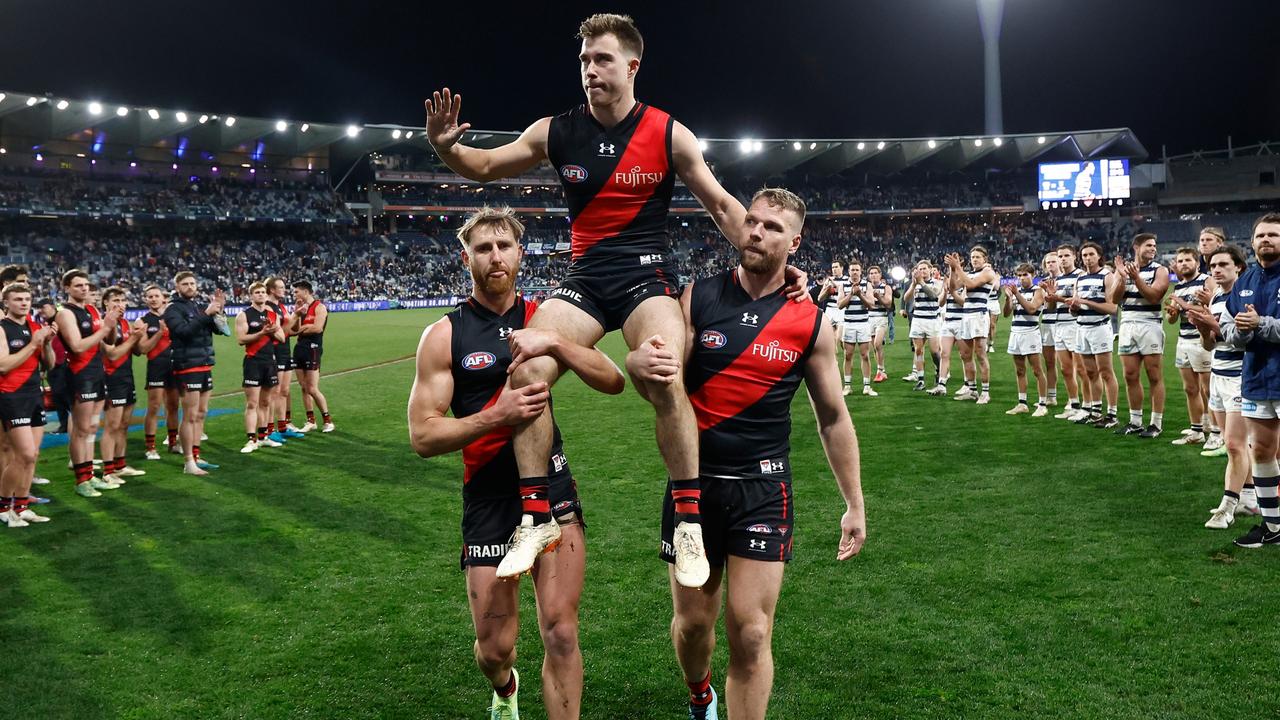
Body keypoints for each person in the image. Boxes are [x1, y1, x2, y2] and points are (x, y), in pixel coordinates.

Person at [426, 13, 806, 584]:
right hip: (584, 280)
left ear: (632, 66)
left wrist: (778, 267)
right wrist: (444, 147)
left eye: (601, 59)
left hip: (645, 279)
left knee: (663, 369)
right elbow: (482, 166)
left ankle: (687, 522)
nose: (589, 69)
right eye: (583, 60)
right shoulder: (557, 130)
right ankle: (536, 518)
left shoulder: (668, 133)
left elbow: (727, 209)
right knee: (525, 367)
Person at [627, 189, 865, 720]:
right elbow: (666, 387)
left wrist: (854, 503)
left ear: (795, 242)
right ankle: (699, 696)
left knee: (752, 632)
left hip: (763, 487)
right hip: (694, 486)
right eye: (751, 222)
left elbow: (833, 418)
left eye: (772, 228)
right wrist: (638, 370)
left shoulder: (811, 322)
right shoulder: (699, 297)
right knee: (693, 627)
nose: (756, 232)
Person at [408, 205, 625, 720]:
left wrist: (555, 343)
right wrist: (495, 416)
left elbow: (613, 379)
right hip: (487, 494)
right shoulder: (445, 334)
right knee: (494, 649)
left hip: (551, 486)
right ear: (467, 259)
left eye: (504, 246)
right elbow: (422, 435)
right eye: (483, 248)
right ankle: (505, 689)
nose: (495, 256)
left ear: (521, 255)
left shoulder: (546, 318)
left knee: (562, 631)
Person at [1212, 213, 1280, 548]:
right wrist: (1240, 331)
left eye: (1273, 235)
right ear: (1252, 243)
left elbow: (1262, 326)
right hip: (1254, 378)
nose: (1266, 240)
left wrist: (1260, 324)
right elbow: (1226, 330)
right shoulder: (1245, 281)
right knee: (1263, 451)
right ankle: (1273, 525)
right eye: (1261, 236)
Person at [1185, 245, 1260, 528]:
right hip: (1218, 375)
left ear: (1238, 267)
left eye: (1223, 264)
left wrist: (1213, 326)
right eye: (1213, 265)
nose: (1216, 269)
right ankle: (1250, 498)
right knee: (1236, 447)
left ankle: (1226, 507)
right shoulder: (1216, 298)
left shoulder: (1245, 297)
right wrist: (1205, 328)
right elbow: (1210, 345)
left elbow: (1244, 339)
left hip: (1240, 377)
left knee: (1234, 443)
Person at [55, 269, 120, 496]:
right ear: (67, 288)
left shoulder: (92, 309)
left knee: (92, 428)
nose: (84, 288)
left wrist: (112, 324)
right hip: (79, 375)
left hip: (96, 373)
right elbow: (77, 346)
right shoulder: (65, 313)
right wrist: (105, 327)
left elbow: (108, 343)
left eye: (86, 285)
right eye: (78, 285)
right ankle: (81, 480)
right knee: (81, 430)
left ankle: (90, 475)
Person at [0, 284, 55, 526]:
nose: (24, 303)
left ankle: (21, 508)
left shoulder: (35, 328)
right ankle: (4, 508)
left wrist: (48, 343)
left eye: (27, 298)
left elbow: (50, 364)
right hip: (12, 396)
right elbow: (3, 365)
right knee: (24, 454)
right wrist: (34, 344)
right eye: (18, 299)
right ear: (6, 304)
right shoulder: (2, 329)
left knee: (32, 457)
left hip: (34, 395)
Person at [163, 271, 225, 476]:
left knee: (201, 413)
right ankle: (188, 462)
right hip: (187, 366)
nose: (190, 286)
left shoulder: (196, 306)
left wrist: (218, 311)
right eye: (185, 284)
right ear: (177, 286)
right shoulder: (172, 309)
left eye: (192, 283)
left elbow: (221, 331)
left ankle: (196, 456)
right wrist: (206, 313)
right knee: (189, 415)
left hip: (205, 363)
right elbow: (183, 332)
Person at [1108, 233, 1170, 437]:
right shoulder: (1123, 270)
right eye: (1148, 245)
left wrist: (1135, 278)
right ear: (1136, 247)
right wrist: (1122, 278)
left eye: (1154, 245)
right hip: (1127, 323)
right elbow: (1114, 299)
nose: (1153, 248)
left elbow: (1154, 297)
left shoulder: (1160, 270)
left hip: (1150, 323)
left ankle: (1156, 423)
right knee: (1130, 375)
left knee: (1154, 375)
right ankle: (1135, 421)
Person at [1068, 242, 1121, 427]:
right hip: (1082, 328)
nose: (1087, 258)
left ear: (1099, 256)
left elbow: (1112, 308)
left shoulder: (1107, 276)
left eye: (1091, 254)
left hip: (1099, 328)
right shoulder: (1080, 279)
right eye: (1084, 255)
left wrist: (1086, 302)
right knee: (1090, 373)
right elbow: (1075, 311)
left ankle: (1112, 414)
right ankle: (1096, 411)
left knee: (1106, 372)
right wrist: (1074, 307)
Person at [99, 287, 148, 485]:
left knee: (124, 425)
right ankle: (107, 470)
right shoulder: (103, 324)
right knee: (112, 426)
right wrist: (134, 339)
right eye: (116, 300)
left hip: (127, 377)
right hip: (111, 378)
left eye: (123, 300)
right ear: (106, 304)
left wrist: (140, 336)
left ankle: (120, 465)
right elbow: (112, 354)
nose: (121, 304)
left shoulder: (125, 322)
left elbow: (137, 351)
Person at [1166, 248, 1214, 447]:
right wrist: (1173, 312)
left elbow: (1211, 309)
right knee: (1190, 388)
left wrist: (1184, 305)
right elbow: (1171, 320)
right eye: (1180, 261)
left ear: (1196, 262)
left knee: (1208, 389)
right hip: (1183, 340)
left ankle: (1216, 432)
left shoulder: (1206, 281)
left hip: (1201, 340)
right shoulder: (1178, 287)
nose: (1183, 264)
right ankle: (1197, 430)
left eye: (1187, 260)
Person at [945, 246, 999, 404]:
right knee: (966, 355)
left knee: (981, 354)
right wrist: (952, 269)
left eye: (978, 257)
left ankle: (986, 392)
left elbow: (971, 284)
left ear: (985, 259)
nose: (974, 259)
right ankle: (972, 390)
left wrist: (958, 267)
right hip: (966, 316)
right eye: (972, 257)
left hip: (978, 316)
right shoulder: (969, 273)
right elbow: (953, 287)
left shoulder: (988, 272)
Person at [237, 282, 286, 454]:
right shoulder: (244, 315)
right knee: (252, 403)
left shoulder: (272, 315)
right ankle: (251, 439)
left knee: (265, 402)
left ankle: (264, 437)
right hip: (253, 361)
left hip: (269, 362)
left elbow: (282, 338)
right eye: (257, 292)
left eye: (263, 292)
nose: (260, 295)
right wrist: (261, 333)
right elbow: (241, 339)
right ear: (251, 296)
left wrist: (272, 330)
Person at [1043, 245, 1087, 420]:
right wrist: (1050, 297)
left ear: (1074, 257)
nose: (1063, 259)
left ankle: (1088, 405)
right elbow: (1052, 308)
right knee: (1066, 369)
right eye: (1060, 256)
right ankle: (1073, 404)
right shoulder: (1058, 279)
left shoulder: (1081, 276)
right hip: (1059, 325)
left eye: (1066, 256)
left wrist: (1057, 297)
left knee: (1082, 369)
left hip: (1075, 325)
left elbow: (1079, 302)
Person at [139, 285, 181, 460]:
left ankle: (173, 443)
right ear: (145, 300)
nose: (153, 299)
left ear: (163, 298)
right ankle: (151, 448)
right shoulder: (142, 321)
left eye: (156, 296)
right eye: (150, 296)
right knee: (154, 407)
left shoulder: (173, 317)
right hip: (156, 366)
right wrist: (159, 334)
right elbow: (142, 348)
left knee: (173, 406)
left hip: (175, 366)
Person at [1002, 264, 1049, 416]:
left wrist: (1016, 294)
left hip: (1031, 332)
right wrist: (1009, 298)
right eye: (1020, 275)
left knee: (1037, 370)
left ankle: (1042, 405)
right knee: (1020, 370)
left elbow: (1032, 309)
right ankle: (1022, 403)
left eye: (1025, 275)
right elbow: (1007, 314)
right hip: (1015, 332)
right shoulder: (1017, 292)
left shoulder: (1039, 291)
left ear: (1033, 275)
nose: (1022, 278)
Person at [265, 277, 306, 443]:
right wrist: (295, 315)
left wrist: (297, 315)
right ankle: (269, 429)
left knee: (284, 391)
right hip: (275, 350)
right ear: (272, 290)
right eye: (280, 287)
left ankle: (282, 426)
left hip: (285, 351)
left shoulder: (280, 306)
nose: (284, 290)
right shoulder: (268, 307)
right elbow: (281, 332)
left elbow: (293, 331)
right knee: (274, 393)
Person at [290, 280, 333, 433]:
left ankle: (328, 420)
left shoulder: (319, 307)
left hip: (313, 348)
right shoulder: (301, 309)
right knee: (303, 387)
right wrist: (296, 314)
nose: (294, 294)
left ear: (306, 292)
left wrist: (301, 329)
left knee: (312, 388)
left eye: (296, 291)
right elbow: (292, 329)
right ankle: (311, 421)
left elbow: (317, 328)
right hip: (299, 348)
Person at [837, 261, 877, 397]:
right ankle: (847, 386)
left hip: (863, 324)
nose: (854, 272)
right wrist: (851, 294)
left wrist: (860, 294)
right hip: (848, 324)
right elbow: (840, 305)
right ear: (849, 272)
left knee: (865, 355)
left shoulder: (867, 285)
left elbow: (871, 305)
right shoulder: (843, 285)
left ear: (861, 272)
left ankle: (867, 386)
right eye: (852, 270)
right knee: (847, 355)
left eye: (857, 270)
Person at [902, 260, 942, 391]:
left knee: (935, 351)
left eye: (925, 269)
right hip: (918, 319)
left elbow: (933, 295)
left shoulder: (937, 282)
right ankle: (920, 379)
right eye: (920, 269)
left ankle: (939, 373)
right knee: (918, 350)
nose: (922, 271)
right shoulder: (915, 284)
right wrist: (913, 285)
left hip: (932, 320)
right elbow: (906, 298)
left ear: (930, 270)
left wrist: (921, 282)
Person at [927, 265, 967, 397]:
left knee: (964, 356)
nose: (953, 278)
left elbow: (963, 302)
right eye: (951, 276)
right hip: (948, 322)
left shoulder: (965, 285)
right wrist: (945, 291)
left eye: (955, 276)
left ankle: (968, 385)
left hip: (961, 323)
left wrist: (953, 292)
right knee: (944, 354)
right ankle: (941, 385)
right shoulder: (948, 286)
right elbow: (941, 303)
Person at [1039, 253, 1060, 407]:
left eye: (1053, 261)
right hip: (1047, 323)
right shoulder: (1043, 282)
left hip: (1063, 324)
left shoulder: (1069, 279)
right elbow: (1044, 307)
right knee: (1049, 362)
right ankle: (1051, 397)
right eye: (1048, 262)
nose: (1051, 264)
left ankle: (1074, 401)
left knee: (1069, 365)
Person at [866, 265, 891, 381]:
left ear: (880, 275)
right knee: (875, 347)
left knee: (877, 343)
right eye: (871, 273)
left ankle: (880, 370)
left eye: (875, 273)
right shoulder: (867, 287)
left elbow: (888, 304)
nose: (873, 275)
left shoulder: (886, 287)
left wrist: (878, 297)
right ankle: (881, 370)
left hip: (881, 318)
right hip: (869, 318)